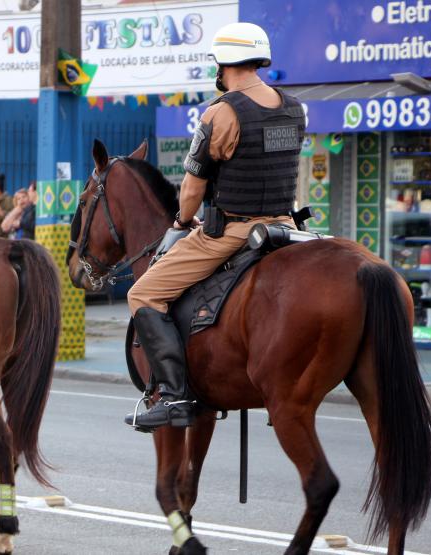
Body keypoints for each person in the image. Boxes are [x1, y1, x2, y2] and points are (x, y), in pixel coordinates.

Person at [124, 22, 303, 430]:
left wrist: (182, 222)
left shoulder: (221, 112)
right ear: (259, 59)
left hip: (233, 232)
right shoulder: (294, 107)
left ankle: (172, 396)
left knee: (144, 293)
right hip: (285, 227)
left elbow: (192, 189)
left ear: (222, 64)